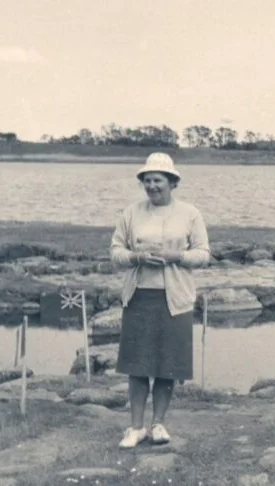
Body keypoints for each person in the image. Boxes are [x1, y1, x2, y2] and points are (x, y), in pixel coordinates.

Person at [110, 152, 211, 449]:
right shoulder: (131, 213)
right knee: (137, 365)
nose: (152, 186)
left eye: (158, 180)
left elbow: (203, 254)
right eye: (147, 181)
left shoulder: (190, 214)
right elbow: (115, 252)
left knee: (168, 365)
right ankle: (136, 427)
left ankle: (158, 424)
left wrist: (176, 256)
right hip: (139, 296)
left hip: (175, 299)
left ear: (172, 182)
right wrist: (136, 257)